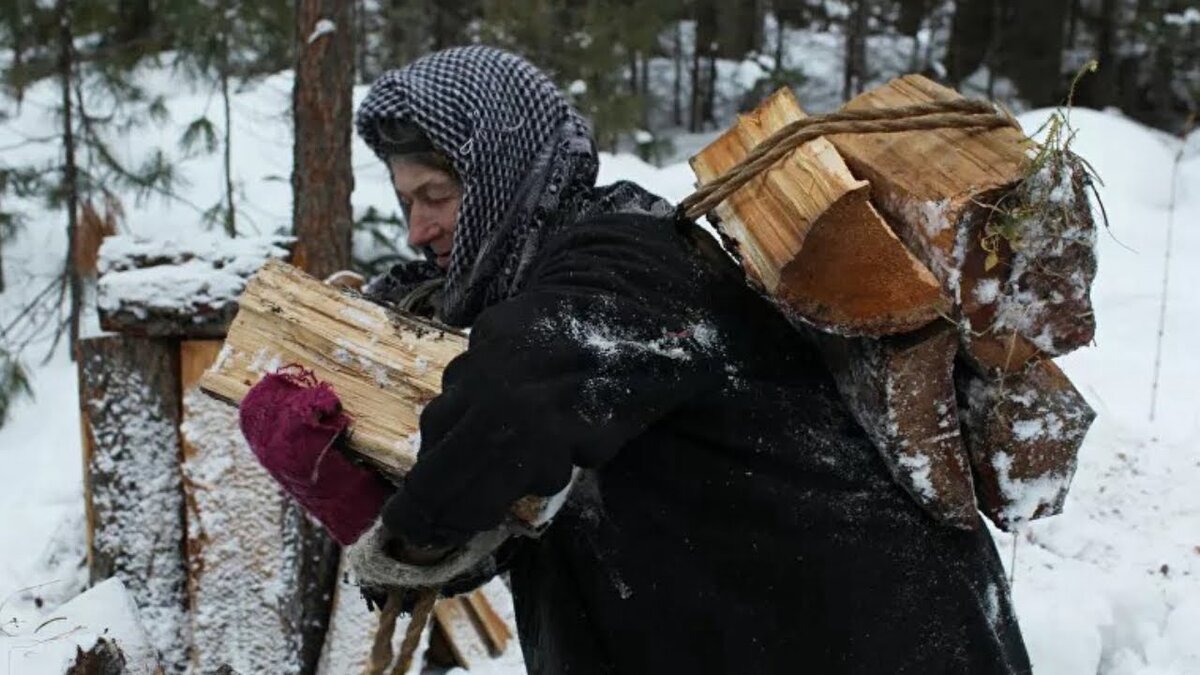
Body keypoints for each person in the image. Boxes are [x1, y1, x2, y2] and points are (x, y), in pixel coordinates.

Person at [337, 45, 1032, 674]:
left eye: (436, 195)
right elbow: (528, 507)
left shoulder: (627, 260)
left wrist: (403, 543)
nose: (417, 229)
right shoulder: (569, 282)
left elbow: (510, 409)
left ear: (502, 173)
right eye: (405, 203)